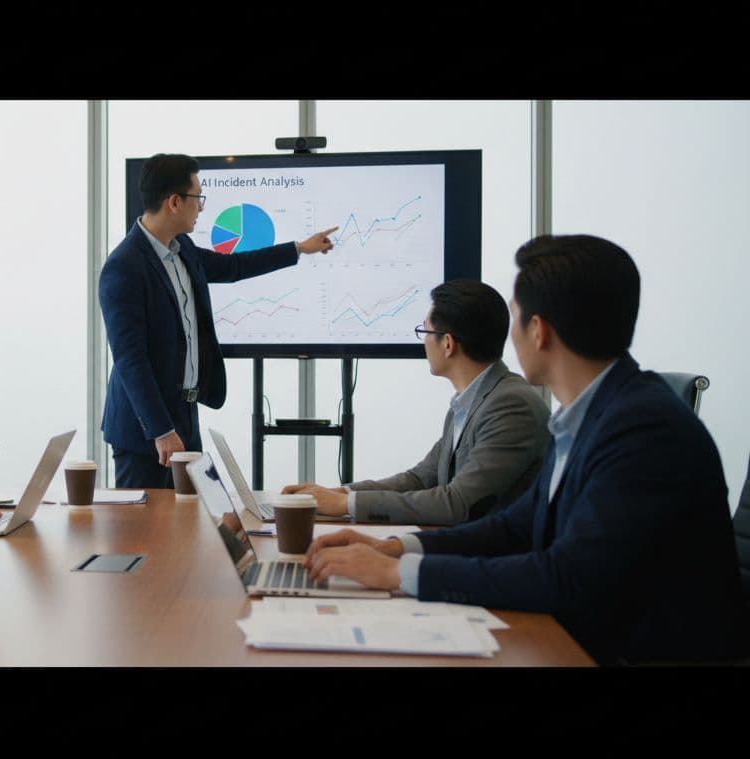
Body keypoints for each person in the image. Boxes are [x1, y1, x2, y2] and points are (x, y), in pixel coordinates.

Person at [304, 235, 745, 664]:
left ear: (539, 331)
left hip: (638, 652)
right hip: (592, 635)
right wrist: (399, 549)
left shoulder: (643, 429)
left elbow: (566, 577)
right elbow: (515, 526)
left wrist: (397, 575)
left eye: (514, 318)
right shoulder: (591, 413)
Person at [100, 153, 337, 488]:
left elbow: (234, 267)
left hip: (185, 415)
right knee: (144, 534)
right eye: (198, 198)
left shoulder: (182, 248)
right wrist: (162, 430)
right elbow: (129, 360)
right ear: (174, 202)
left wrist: (298, 248)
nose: (202, 207)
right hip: (145, 433)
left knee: (191, 524)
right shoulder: (123, 267)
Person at [282, 279, 550, 525]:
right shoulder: (469, 401)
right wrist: (338, 492)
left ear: (448, 343)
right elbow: (420, 478)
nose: (423, 342)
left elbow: (458, 503)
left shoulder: (511, 405)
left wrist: (343, 504)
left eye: (425, 331)